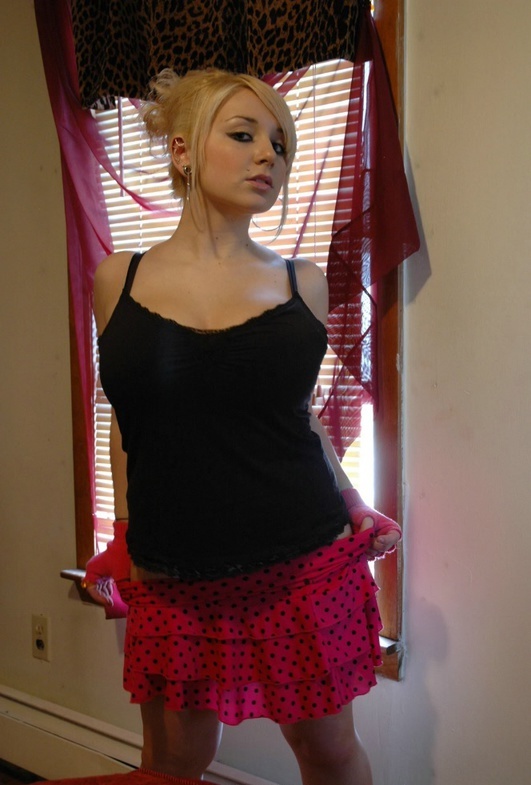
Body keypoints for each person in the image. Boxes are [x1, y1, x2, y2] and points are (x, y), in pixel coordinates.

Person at [84, 68, 401, 785]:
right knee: (171, 765)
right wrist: (125, 532)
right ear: (181, 150)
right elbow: (127, 416)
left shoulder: (301, 281)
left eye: (281, 145)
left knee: (327, 754)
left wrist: (353, 502)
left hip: (302, 565)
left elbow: (299, 417)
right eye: (242, 134)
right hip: (172, 575)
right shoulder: (117, 279)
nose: (268, 156)